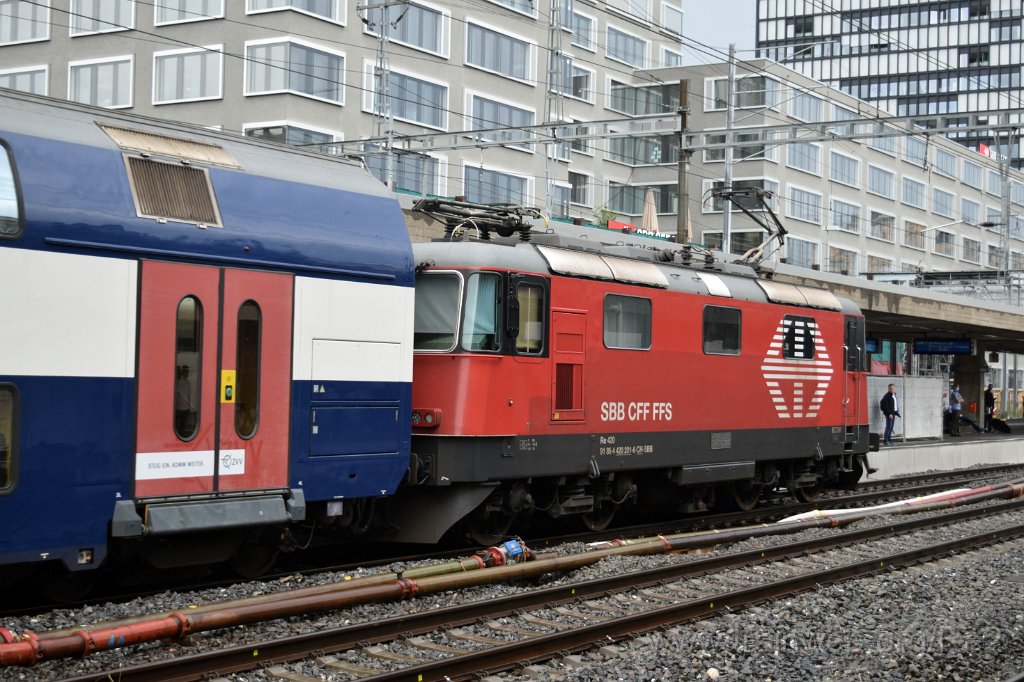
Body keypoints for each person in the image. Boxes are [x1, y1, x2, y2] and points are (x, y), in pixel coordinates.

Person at [175, 365, 194, 434]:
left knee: (182, 427)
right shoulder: (177, 382)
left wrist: (189, 407)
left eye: (187, 371)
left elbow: (188, 396)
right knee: (177, 427)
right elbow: (178, 394)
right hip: (178, 408)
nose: (187, 373)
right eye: (185, 371)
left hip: (185, 409)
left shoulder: (188, 383)